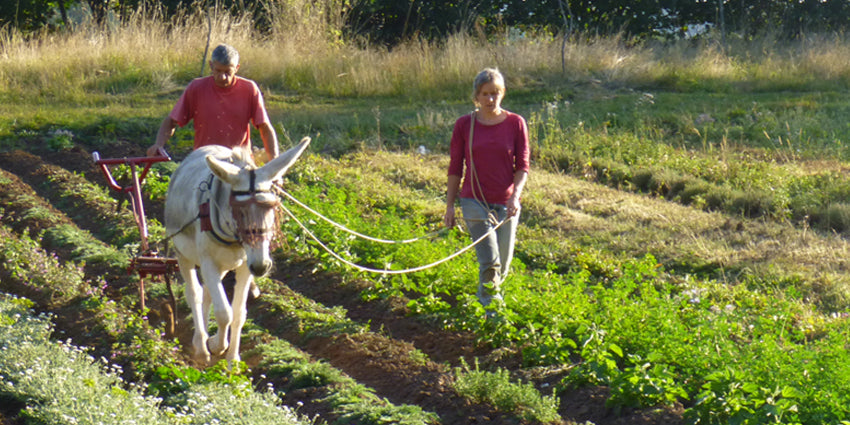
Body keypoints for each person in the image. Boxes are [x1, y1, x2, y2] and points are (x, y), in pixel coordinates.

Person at [443, 68, 530, 315]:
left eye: (496, 93)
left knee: (503, 264)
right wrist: (450, 206)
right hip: (473, 202)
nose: (491, 99)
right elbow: (454, 167)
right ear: (476, 96)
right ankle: (492, 316)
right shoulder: (464, 124)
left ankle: (486, 301)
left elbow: (523, 165)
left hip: (506, 203)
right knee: (490, 262)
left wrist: (515, 196)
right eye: (485, 94)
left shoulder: (516, 123)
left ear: (502, 93)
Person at [146, 43, 279, 160]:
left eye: (228, 72)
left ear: (237, 68)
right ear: (211, 65)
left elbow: (265, 128)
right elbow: (172, 121)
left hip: (238, 161)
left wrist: (275, 164)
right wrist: (158, 144)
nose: (222, 77)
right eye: (218, 71)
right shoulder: (197, 88)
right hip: (204, 160)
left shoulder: (249, 89)